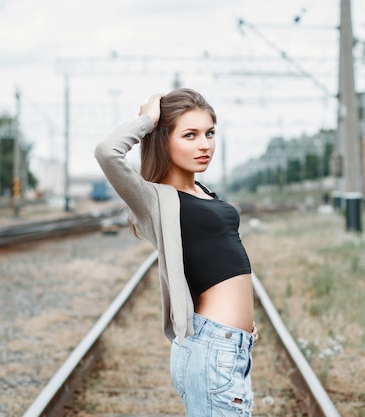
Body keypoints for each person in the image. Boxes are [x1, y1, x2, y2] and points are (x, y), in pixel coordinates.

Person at [94, 88, 258, 416]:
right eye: (190, 135)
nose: (205, 144)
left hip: (231, 344)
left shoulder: (204, 191)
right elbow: (106, 152)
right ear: (164, 139)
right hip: (211, 345)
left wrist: (243, 326)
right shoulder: (155, 198)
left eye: (209, 133)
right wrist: (147, 121)